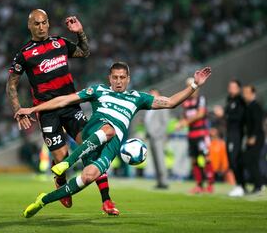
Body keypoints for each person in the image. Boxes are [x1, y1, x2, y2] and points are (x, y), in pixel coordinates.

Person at [15, 62, 211, 218]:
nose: (118, 81)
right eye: (115, 77)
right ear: (109, 78)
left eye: (122, 78)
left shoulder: (137, 98)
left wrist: (194, 85)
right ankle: (66, 163)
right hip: (96, 129)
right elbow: (64, 100)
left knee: (88, 177)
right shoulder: (98, 90)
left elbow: (171, 102)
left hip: (112, 144)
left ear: (128, 79)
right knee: (109, 129)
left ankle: (43, 200)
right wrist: (33, 109)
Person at [6, 9, 118, 214]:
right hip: (47, 112)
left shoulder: (60, 43)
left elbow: (84, 52)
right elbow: (11, 84)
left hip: (70, 106)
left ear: (48, 24)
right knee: (62, 157)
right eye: (36, 24)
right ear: (29, 26)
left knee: (90, 146)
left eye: (44, 23)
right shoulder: (24, 54)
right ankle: (60, 180)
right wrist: (18, 109)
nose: (41, 27)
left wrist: (80, 32)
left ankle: (107, 200)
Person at [178, 78, 214, 194]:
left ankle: (210, 184)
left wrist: (186, 122)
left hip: (202, 134)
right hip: (191, 134)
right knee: (194, 160)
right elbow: (184, 117)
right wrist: (181, 123)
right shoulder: (185, 102)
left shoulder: (200, 99)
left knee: (206, 157)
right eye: (188, 86)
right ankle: (199, 185)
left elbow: (201, 114)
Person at [144, 89, 169, 189]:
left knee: (160, 159)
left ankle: (164, 181)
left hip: (158, 137)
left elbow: (165, 123)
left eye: (153, 93)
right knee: (155, 160)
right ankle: (159, 181)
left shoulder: (162, 106)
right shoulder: (150, 106)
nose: (151, 94)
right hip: (151, 137)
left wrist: (158, 135)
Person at [225, 80, 246, 197]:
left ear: (239, 88)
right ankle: (240, 185)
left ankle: (240, 185)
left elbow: (240, 117)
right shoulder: (229, 99)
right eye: (230, 86)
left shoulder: (240, 101)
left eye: (233, 86)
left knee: (234, 159)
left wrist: (225, 114)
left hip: (237, 133)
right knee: (231, 159)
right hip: (230, 133)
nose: (231, 88)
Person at [242, 85, 264, 194]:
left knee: (252, 161)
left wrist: (253, 137)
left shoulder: (256, 106)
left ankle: (259, 185)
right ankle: (257, 185)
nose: (244, 94)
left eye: (247, 92)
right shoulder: (249, 106)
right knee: (249, 161)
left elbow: (258, 124)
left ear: (253, 93)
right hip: (251, 137)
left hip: (256, 138)